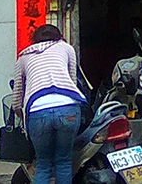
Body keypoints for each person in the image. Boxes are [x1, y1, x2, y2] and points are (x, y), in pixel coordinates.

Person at [10, 23, 86, 184]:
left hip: (38, 111)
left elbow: (16, 99)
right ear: (59, 37)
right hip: (67, 107)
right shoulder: (67, 48)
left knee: (43, 163)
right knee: (64, 160)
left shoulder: (23, 57)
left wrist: (22, 118)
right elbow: (72, 81)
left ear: (34, 39)